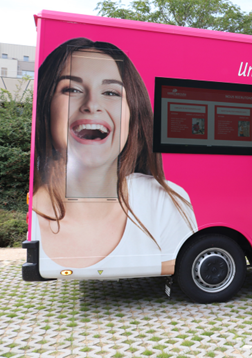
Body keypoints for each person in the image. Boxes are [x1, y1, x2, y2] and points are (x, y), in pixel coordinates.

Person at [31, 38, 196, 279]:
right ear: (46, 106)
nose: (92, 104)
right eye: (72, 89)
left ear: (133, 115)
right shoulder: (32, 216)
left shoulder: (165, 201)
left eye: (110, 92)